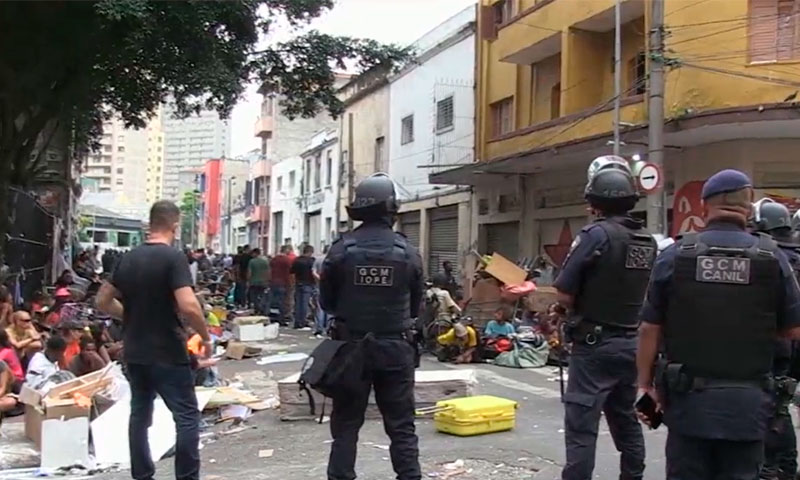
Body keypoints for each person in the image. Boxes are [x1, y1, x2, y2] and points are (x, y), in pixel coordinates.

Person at [637, 169, 800, 479]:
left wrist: (645, 385)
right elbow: (794, 329)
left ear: (703, 206)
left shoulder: (675, 256)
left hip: (688, 407)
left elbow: (650, 328)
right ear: (748, 207)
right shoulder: (772, 258)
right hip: (748, 409)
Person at [96, 200, 212, 480]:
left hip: (135, 351)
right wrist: (205, 336)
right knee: (186, 417)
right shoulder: (173, 258)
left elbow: (102, 301)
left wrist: (131, 316)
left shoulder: (127, 258)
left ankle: (142, 475)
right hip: (167, 350)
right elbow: (188, 305)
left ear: (150, 224)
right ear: (175, 225)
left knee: (139, 416)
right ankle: (186, 476)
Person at [554, 156, 653, 480]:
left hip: (594, 345)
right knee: (625, 420)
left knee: (582, 427)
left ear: (594, 200)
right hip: (631, 344)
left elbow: (564, 292)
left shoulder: (595, 235)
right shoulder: (647, 240)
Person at [320, 173, 423, 480]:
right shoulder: (408, 251)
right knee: (401, 426)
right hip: (395, 347)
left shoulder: (341, 250)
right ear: (392, 209)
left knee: (345, 425)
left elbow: (327, 303)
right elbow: (415, 305)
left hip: (350, 349)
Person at [752, 198, 800, 480]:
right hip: (794, 345)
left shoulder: (769, 256)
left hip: (776, 343)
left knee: (772, 409)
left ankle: (772, 468)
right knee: (781, 407)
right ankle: (787, 467)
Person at [291, 245, 316, 330]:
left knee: (298, 304)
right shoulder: (312, 261)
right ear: (310, 252)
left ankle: (297, 322)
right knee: (305, 304)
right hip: (308, 284)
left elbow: (292, 271)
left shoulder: (297, 260)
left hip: (298, 283)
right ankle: (302, 321)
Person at [269, 245, 292, 325]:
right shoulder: (287, 260)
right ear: (286, 250)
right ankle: (281, 319)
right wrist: (290, 284)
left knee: (274, 302)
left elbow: (270, 270)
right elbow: (289, 273)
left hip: (273, 282)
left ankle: (273, 318)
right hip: (283, 283)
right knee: (282, 302)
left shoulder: (274, 259)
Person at [247, 248, 269, 316]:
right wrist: (267, 280)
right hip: (263, 282)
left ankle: (257, 309)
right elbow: (268, 272)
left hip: (254, 282)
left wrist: (248, 281)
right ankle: (262, 308)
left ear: (255, 253)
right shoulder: (265, 261)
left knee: (254, 297)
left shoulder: (252, 261)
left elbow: (249, 272)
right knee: (262, 296)